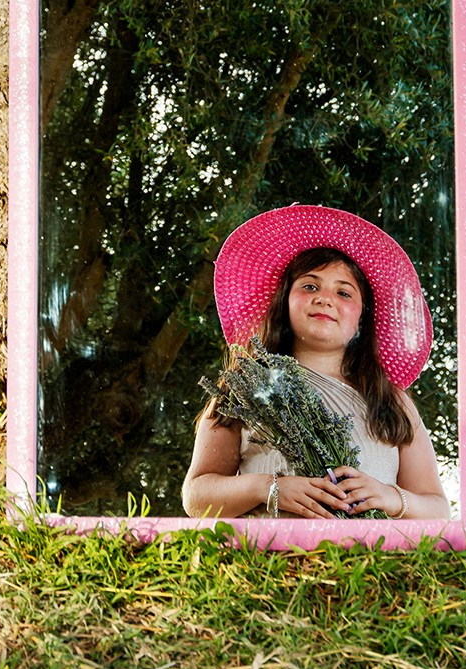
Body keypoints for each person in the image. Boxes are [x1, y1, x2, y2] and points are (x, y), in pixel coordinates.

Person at [181, 205, 450, 521]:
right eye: (310, 286)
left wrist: (389, 497)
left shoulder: (392, 402)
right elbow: (197, 496)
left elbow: (438, 509)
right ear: (284, 301)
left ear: (363, 317)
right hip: (267, 563)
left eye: (344, 293)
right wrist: (269, 488)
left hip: (374, 565)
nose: (325, 299)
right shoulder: (244, 389)